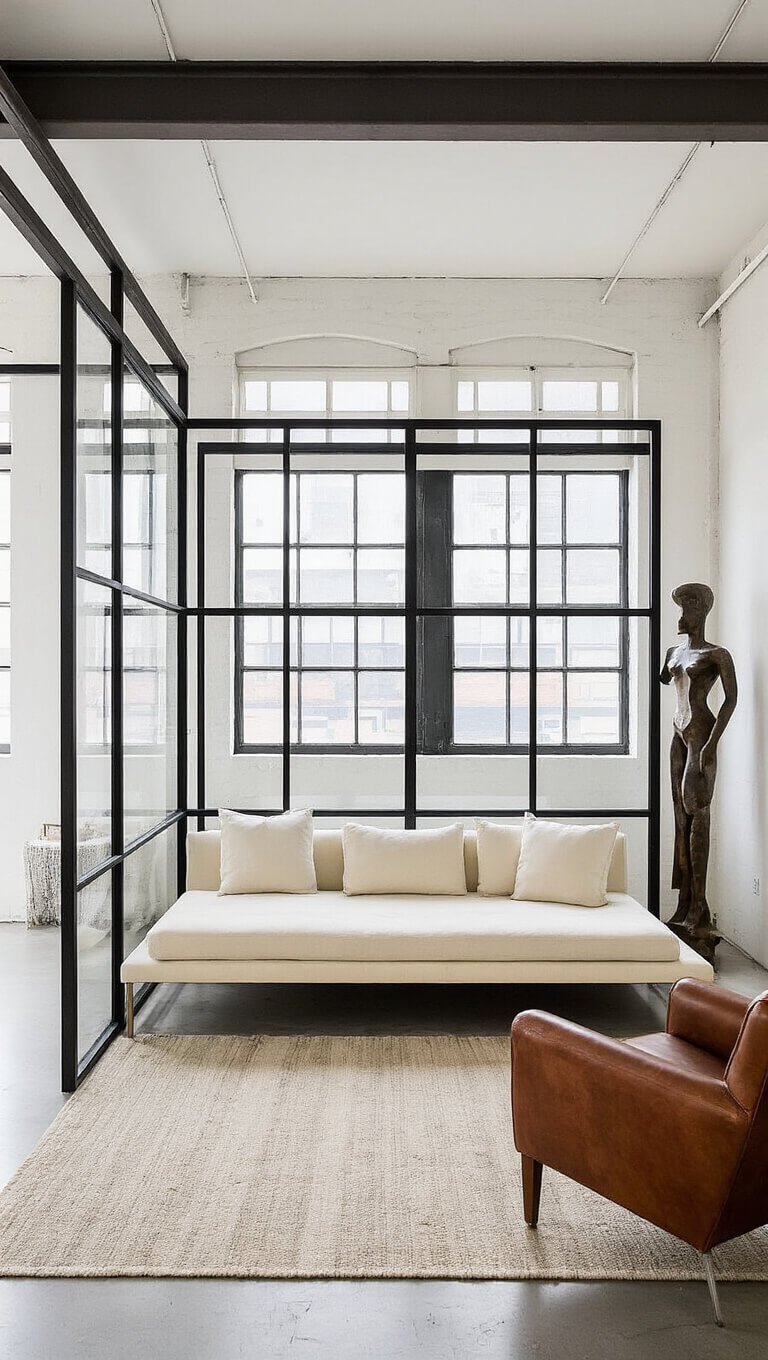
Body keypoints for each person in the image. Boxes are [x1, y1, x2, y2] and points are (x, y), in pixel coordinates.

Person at [660, 583, 737, 941]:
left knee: (698, 813)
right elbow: (665, 678)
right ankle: (684, 902)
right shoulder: (674, 652)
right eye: (679, 608)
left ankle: (699, 907)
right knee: (680, 818)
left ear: (701, 611)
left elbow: (731, 700)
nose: (680, 616)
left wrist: (712, 743)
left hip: (699, 736)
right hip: (677, 735)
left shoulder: (717, 655)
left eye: (686, 608)